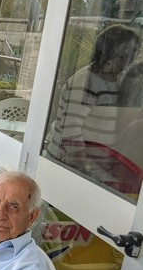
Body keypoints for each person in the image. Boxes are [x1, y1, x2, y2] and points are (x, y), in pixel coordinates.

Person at [47, 24, 140, 165]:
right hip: (70, 165)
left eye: (133, 55)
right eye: (123, 55)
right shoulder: (85, 82)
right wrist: (85, 166)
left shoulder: (117, 81)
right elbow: (70, 127)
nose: (128, 61)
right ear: (108, 52)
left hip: (98, 165)